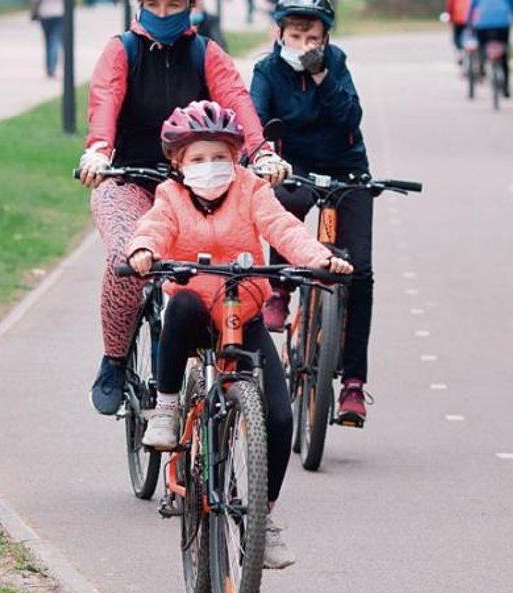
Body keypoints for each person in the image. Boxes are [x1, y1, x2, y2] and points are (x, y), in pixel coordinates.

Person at [127, 101, 352, 568]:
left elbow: (283, 229)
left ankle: (261, 519)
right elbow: (154, 228)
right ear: (178, 164)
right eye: (198, 159)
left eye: (221, 157)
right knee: (183, 304)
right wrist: (144, 250)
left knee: (280, 417)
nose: (211, 168)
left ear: (237, 157)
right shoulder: (170, 196)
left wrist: (319, 258)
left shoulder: (251, 191)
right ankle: (168, 409)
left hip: (242, 313)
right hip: (193, 312)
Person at [77, 0, 291, 418]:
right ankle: (115, 360)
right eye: (153, 2)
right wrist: (99, 152)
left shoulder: (206, 54)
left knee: (217, 264)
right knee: (128, 255)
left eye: (174, 2)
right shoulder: (122, 50)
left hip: (190, 186)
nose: (163, 10)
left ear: (191, 5)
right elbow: (104, 101)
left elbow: (237, 102)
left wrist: (261, 153)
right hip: (127, 181)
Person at [250, 0, 376, 427]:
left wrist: (322, 75)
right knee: (286, 204)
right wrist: (266, 158)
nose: (304, 45)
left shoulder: (336, 64)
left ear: (325, 41)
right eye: (296, 36)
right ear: (281, 35)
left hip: (346, 167)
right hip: (293, 166)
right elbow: (257, 120)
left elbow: (350, 117)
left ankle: (354, 385)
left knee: (359, 271)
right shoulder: (267, 71)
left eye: (313, 39)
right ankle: (280, 289)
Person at [468, 0, 513, 97]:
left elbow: (471, 8)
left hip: (483, 25)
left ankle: (481, 66)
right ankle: (506, 88)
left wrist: (469, 22)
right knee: (504, 54)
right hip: (502, 25)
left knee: (482, 47)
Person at [31, 0, 64, 78]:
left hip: (45, 14)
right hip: (59, 13)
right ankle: (51, 68)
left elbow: (35, 2)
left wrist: (34, 12)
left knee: (49, 41)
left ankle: (50, 68)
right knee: (54, 41)